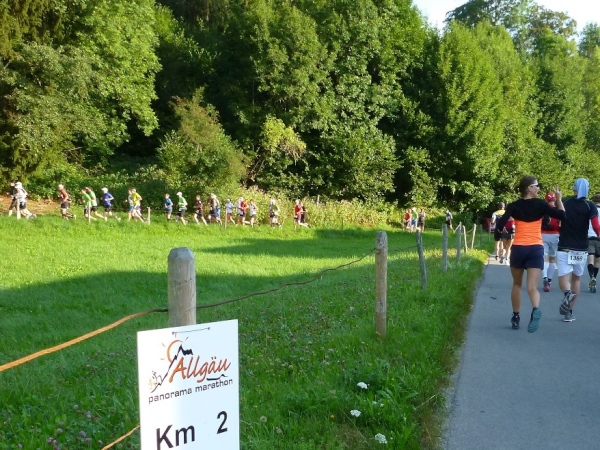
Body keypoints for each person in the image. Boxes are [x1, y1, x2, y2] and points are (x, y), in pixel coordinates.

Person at [495, 176, 565, 333]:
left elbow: (500, 224)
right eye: (536, 185)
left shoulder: (514, 206)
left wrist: (498, 237)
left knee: (517, 284)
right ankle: (535, 309)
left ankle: (516, 316)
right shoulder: (541, 204)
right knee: (532, 287)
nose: (538, 188)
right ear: (529, 188)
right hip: (535, 248)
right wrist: (559, 200)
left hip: (519, 248)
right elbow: (562, 216)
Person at [557, 178, 600, 322]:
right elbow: (595, 226)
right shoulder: (590, 206)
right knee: (577, 278)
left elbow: (555, 222)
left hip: (564, 246)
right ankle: (569, 313)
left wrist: (561, 231)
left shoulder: (565, 203)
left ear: (574, 189)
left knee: (563, 277)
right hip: (581, 247)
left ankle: (567, 293)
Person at [541, 192, 560, 292]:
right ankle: (549, 280)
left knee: (544, 257)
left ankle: (544, 277)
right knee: (552, 259)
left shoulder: (543, 209)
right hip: (555, 235)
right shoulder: (558, 210)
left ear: (546, 200)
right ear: (555, 200)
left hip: (543, 234)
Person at [587, 193, 600, 293]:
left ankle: (591, 277)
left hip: (590, 236)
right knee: (597, 261)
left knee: (590, 260)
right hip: (599, 238)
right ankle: (594, 277)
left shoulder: (590, 210)